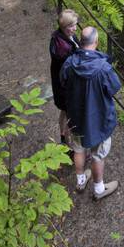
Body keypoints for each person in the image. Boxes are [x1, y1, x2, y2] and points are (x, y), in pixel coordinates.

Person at [60, 25, 121, 200]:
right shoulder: (103, 68)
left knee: (78, 150)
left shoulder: (69, 63)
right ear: (96, 42)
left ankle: (80, 181)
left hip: (75, 117)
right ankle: (99, 189)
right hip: (99, 121)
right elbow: (114, 88)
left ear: (81, 41)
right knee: (97, 156)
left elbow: (62, 82)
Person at [49, 10, 79, 147]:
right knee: (68, 114)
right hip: (64, 87)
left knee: (64, 111)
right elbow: (71, 66)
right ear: (64, 26)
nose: (75, 28)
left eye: (75, 24)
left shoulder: (64, 37)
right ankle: (67, 143)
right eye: (71, 26)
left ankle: (63, 138)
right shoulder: (62, 47)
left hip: (62, 83)